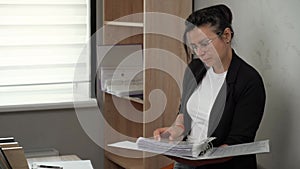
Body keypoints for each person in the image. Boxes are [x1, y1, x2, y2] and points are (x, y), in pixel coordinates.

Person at [153, 4, 266, 169]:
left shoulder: (249, 81)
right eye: (194, 47)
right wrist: (176, 129)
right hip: (187, 159)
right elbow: (184, 110)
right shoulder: (195, 68)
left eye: (205, 44)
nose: (200, 52)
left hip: (223, 165)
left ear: (226, 36)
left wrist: (203, 156)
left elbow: (238, 142)